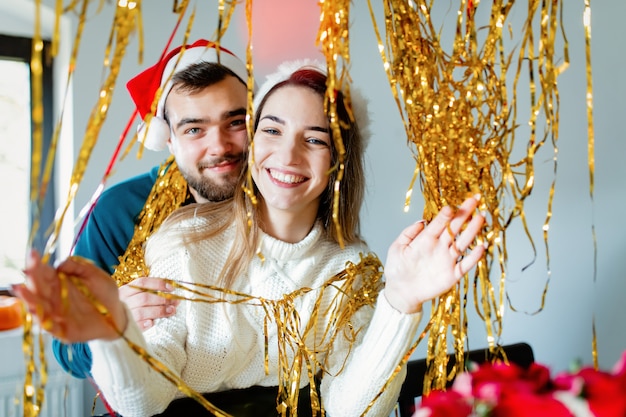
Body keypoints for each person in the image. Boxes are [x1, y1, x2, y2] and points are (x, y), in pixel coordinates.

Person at [15, 60, 486, 417]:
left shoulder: (352, 269)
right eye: (273, 130)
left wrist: (399, 303)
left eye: (316, 139)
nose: (286, 154)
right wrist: (112, 328)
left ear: (338, 160)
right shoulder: (173, 239)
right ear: (170, 139)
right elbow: (146, 394)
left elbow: (350, 405)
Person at [53, 39, 254, 378]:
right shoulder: (119, 211)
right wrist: (110, 326)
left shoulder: (287, 197)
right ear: (168, 139)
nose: (219, 145)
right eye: (194, 129)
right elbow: (66, 348)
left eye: (235, 122)